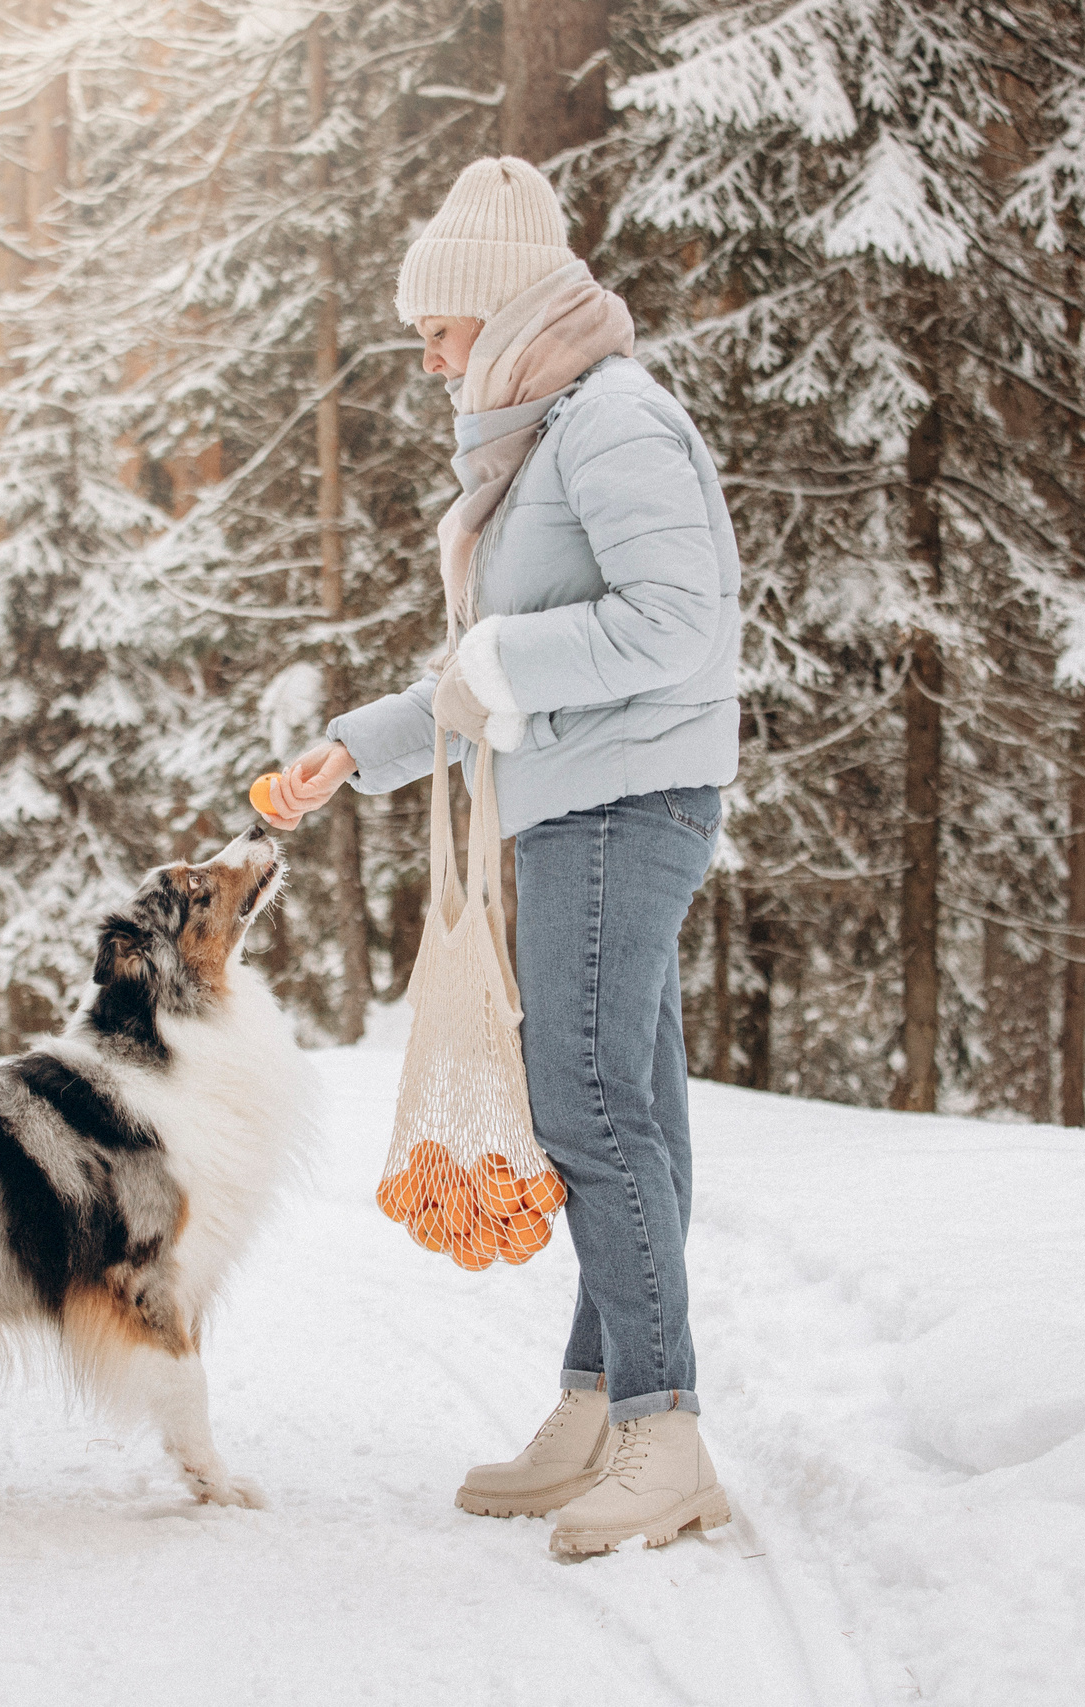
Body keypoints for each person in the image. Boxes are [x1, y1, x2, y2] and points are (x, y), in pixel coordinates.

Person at [254, 156, 743, 1556]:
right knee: (626, 1106)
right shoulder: (548, 443)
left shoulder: (613, 425)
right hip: (585, 801)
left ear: (511, 309)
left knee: (589, 1108)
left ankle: (665, 1431)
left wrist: (497, 664)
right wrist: (353, 748)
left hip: (622, 805)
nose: (427, 356)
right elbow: (481, 682)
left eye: (441, 330)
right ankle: (602, 1408)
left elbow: (674, 627)